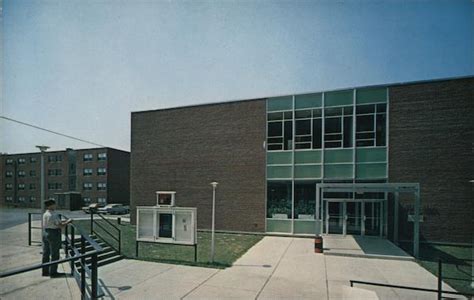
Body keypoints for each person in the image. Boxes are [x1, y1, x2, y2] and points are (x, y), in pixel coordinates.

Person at [42, 199, 72, 277]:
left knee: (46, 253)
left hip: (45, 232)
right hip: (53, 233)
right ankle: (53, 272)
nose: (55, 206)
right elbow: (60, 226)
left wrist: (62, 221)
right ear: (50, 205)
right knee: (55, 253)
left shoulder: (46, 213)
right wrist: (68, 221)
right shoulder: (53, 214)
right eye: (54, 204)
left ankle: (45, 272)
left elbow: (56, 222)